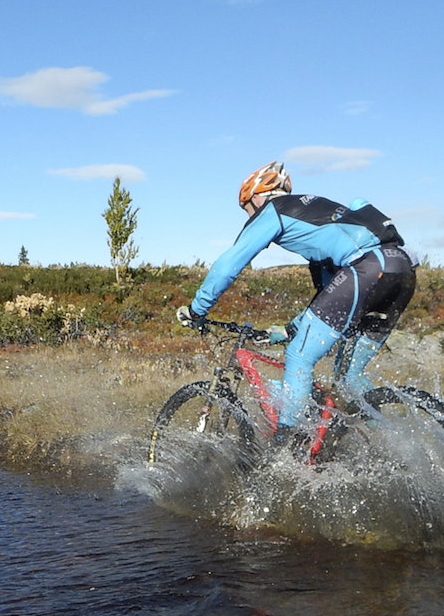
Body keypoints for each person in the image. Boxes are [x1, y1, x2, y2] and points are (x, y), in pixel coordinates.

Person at [176, 161, 416, 447]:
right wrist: (291, 329)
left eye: (247, 209)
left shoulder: (274, 210)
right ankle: (398, 443)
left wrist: (196, 310)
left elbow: (229, 264)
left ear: (256, 196)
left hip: (365, 269)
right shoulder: (323, 219)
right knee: (349, 378)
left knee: (299, 357)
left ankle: (287, 447)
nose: (250, 217)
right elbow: (331, 294)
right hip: (401, 271)